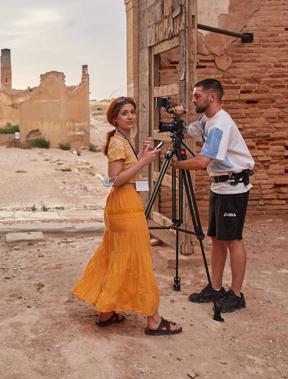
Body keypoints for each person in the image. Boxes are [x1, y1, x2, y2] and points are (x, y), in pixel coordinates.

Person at [71, 96, 182, 336]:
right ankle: (153, 320)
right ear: (114, 118)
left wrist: (140, 154)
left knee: (116, 255)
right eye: (124, 113)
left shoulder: (122, 140)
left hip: (123, 205)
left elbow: (124, 172)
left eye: (132, 112)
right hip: (124, 205)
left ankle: (107, 312)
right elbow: (115, 179)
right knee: (138, 257)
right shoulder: (118, 143)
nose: (130, 116)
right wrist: (143, 161)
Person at [173, 79, 254, 313]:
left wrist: (177, 165)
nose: (193, 99)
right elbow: (189, 132)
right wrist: (178, 117)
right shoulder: (207, 119)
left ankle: (236, 295)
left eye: (197, 96)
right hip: (219, 187)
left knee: (233, 240)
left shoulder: (220, 124)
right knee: (217, 239)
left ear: (212, 98)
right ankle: (215, 288)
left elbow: (202, 162)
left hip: (233, 189)